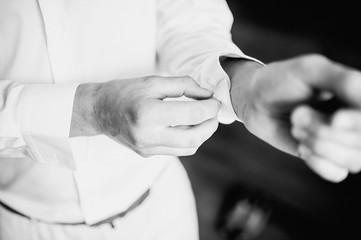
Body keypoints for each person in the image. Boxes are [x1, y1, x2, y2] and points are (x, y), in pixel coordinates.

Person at [0, 0, 360, 239]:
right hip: (24, 223)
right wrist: (90, 110)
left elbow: (185, 11)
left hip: (160, 205)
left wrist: (241, 83)